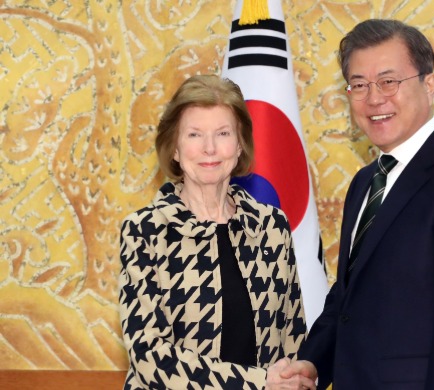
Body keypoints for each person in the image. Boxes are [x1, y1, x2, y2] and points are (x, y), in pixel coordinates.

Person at [282, 19, 434, 389]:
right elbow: (348, 300)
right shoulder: (365, 183)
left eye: (389, 81)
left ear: (429, 85)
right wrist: (311, 363)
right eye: (359, 85)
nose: (374, 98)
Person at [118, 74, 316, 390]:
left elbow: (292, 336)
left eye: (223, 133)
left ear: (240, 146)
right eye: (195, 135)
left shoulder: (271, 227)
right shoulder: (145, 232)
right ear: (175, 149)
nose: (209, 148)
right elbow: (148, 356)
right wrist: (257, 382)